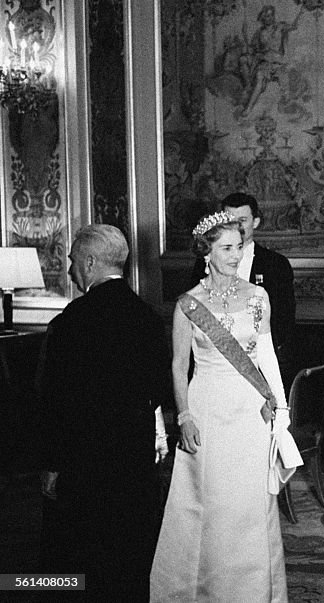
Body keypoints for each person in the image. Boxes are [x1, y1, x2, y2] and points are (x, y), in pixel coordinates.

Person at [153, 212, 299, 602]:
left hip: (250, 410)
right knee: (211, 503)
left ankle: (253, 591)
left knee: (250, 504)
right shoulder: (188, 304)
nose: (236, 255)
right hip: (208, 408)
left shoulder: (257, 297)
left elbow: (266, 356)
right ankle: (207, 591)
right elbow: (177, 366)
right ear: (207, 252)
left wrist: (279, 409)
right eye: (228, 248)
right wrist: (183, 416)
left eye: (240, 246)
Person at [40, 224, 170, 602]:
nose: (69, 270)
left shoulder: (71, 321)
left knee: (79, 560)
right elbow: (158, 389)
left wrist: (51, 464)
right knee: (130, 555)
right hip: (134, 459)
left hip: (84, 465)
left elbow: (54, 401)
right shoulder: (147, 317)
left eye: (73, 260)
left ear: (91, 262)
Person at [191, 192, 296, 384]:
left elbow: (283, 321)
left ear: (255, 222)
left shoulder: (276, 264)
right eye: (231, 219)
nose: (237, 226)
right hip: (215, 364)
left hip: (259, 364)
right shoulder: (205, 263)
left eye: (243, 220)